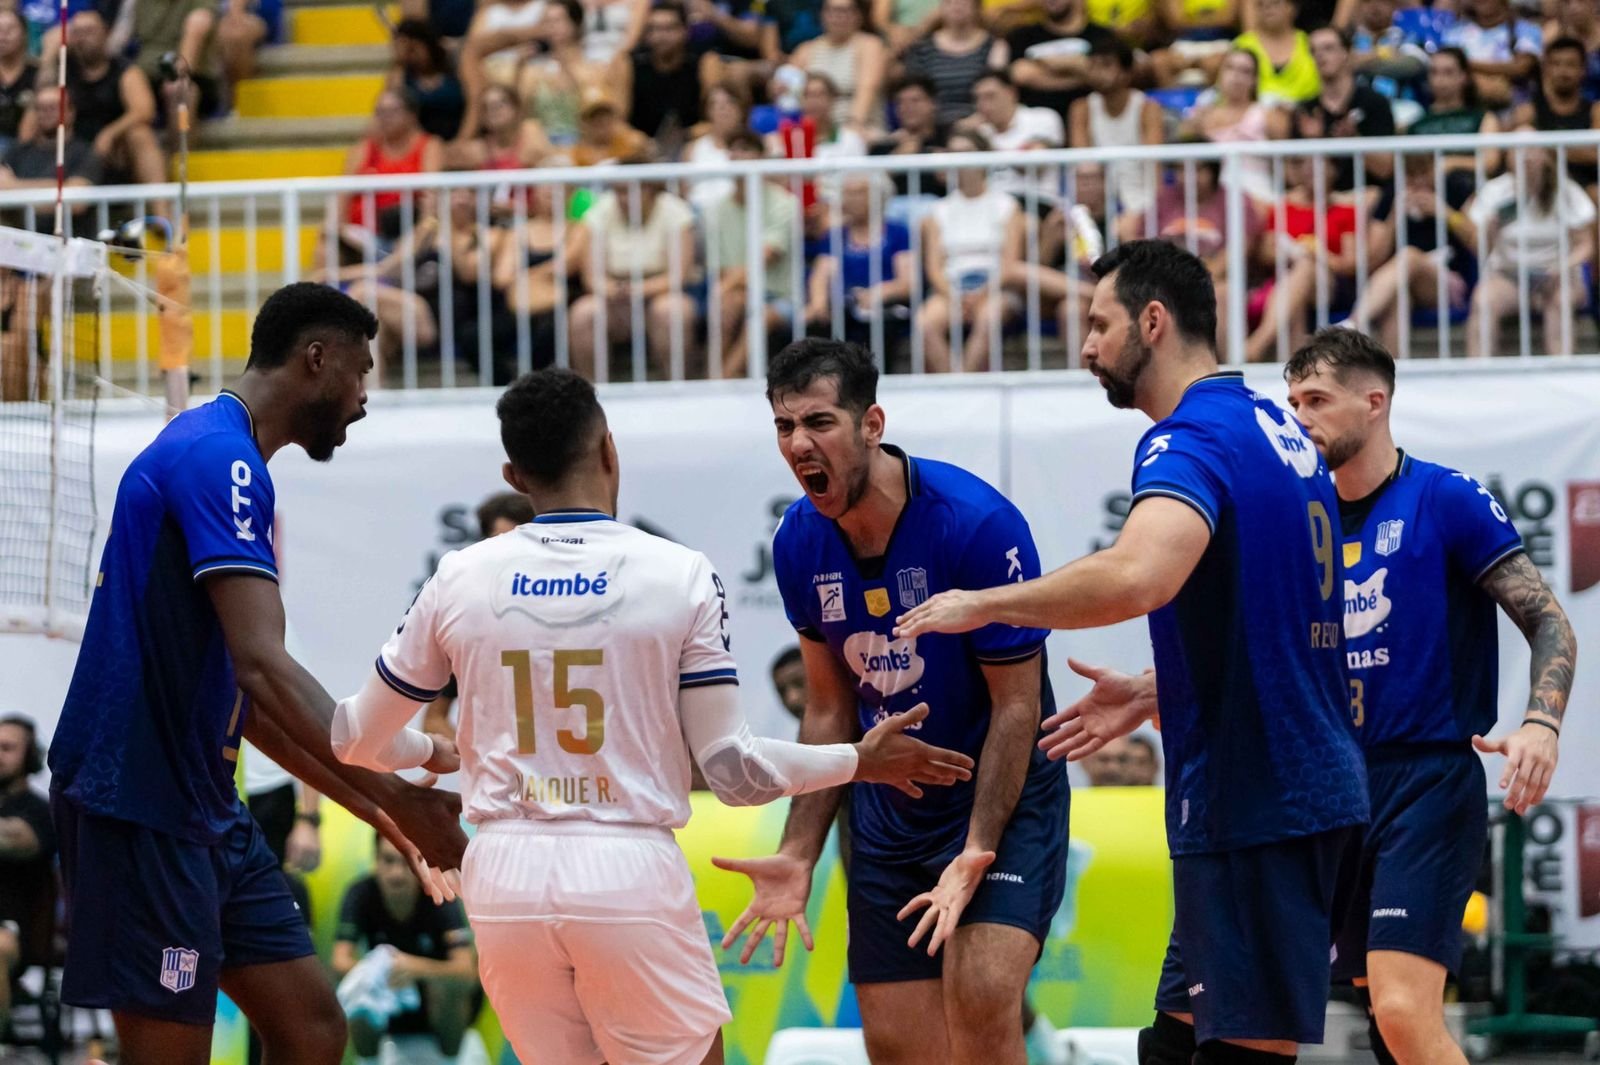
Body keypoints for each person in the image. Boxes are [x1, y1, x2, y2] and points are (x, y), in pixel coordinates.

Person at [329, 366, 973, 1065]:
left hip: (504, 870)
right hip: (623, 863)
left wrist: (427, 753)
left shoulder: (460, 574)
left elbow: (356, 737)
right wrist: (858, 758)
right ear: (609, 449)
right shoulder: (677, 572)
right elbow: (734, 770)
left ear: (515, 475)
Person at [895, 239, 1369, 1065]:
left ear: (1153, 321)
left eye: (1098, 324)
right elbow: (1276, 614)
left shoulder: (1191, 438)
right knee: (1172, 1044)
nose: (1085, 347)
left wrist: (983, 602)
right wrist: (1159, 688)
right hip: (1283, 782)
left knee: (1240, 1054)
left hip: (1261, 797)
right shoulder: (1274, 424)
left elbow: (1139, 574)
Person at [46, 283, 466, 1065]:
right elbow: (265, 667)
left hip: (205, 800)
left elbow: (253, 698)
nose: (364, 399)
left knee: (312, 1029)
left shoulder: (229, 459)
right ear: (316, 359)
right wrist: (392, 771)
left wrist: (391, 807)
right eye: (361, 371)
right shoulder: (220, 459)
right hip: (141, 805)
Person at [720, 338, 1070, 1064]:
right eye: (784, 426)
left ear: (871, 423)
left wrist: (978, 847)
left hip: (998, 803)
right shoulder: (797, 542)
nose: (798, 443)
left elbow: (1016, 705)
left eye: (819, 421)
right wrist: (796, 851)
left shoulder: (975, 522)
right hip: (887, 818)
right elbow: (827, 709)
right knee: (899, 1047)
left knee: (980, 998)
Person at [1286, 329, 1575, 1065]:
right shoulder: (1297, 519)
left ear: (1375, 401)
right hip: (1331, 788)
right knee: (1376, 1015)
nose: (1300, 417)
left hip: (1424, 781)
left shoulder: (1442, 497)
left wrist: (1541, 720)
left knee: (1404, 1009)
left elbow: (1548, 619)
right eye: (1291, 402)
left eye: (1316, 399)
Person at [332, 836, 479, 1065]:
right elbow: (339, 961)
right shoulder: (360, 893)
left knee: (451, 987)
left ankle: (452, 1057)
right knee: (357, 989)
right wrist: (380, 970)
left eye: (405, 863)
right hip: (385, 1005)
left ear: (419, 865)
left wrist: (414, 968)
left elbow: (467, 972)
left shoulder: (439, 894)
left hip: (439, 1023)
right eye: (388, 861)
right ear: (376, 861)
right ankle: (368, 1059)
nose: (397, 873)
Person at [567, 158, 702, 379]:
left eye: (630, 191)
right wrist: (615, 290)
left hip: (663, 292)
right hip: (614, 295)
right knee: (584, 313)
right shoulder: (599, 211)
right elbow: (591, 276)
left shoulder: (675, 210)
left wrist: (638, 290)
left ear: (649, 189)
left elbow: (680, 275)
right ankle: (591, 391)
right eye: (618, 191)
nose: (623, 198)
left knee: (670, 311)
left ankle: (677, 386)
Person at [1465, 137, 1597, 358]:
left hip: (1557, 275)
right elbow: (1479, 250)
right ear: (1508, 158)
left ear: (1546, 156)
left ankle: (1563, 378)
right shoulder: (1494, 191)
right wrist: (1491, 229)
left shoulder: (1565, 190)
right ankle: (1478, 381)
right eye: (1518, 150)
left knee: (1561, 302)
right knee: (1483, 300)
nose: (1525, 156)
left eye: (1532, 149)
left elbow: (1586, 245)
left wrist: (1563, 266)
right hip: (1508, 275)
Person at [421, 492, 538, 740]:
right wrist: (479, 757)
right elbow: (434, 718)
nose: (510, 554)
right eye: (499, 543)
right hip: (501, 775)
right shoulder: (472, 622)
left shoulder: (574, 612)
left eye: (521, 543)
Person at [917, 129, 1026, 373]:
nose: (959, 160)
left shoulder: (1007, 206)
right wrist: (956, 296)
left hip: (997, 285)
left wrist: (981, 294)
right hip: (951, 287)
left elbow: (1010, 264)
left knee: (988, 320)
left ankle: (966, 388)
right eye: (953, 153)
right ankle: (954, 390)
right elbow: (934, 268)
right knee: (924, 323)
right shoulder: (938, 210)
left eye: (965, 152)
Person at [710, 128, 802, 377]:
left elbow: (766, 257)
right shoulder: (716, 210)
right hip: (740, 289)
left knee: (757, 316)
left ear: (761, 157)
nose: (738, 155)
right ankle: (720, 378)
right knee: (726, 304)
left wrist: (726, 286)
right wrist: (728, 288)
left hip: (782, 295)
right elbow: (719, 267)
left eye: (746, 149)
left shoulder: (785, 203)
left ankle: (720, 380)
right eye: (734, 149)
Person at [62, 9, 165, 187]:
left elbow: (144, 111)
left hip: (117, 152)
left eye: (89, 31)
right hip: (73, 149)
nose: (83, 38)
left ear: (106, 33)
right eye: (77, 32)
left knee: (140, 135)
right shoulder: (63, 72)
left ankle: (163, 212)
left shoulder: (125, 71)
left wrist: (109, 133)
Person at [0, 714, 54, 1043]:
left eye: (7, 748)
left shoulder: (39, 810)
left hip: (13, 932)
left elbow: (19, 841)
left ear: (30, 757)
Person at [1068, 37, 1163, 218]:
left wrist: (1153, 211)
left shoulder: (1147, 108)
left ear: (1126, 72)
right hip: (1097, 200)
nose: (1097, 72)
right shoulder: (1081, 108)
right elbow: (1083, 166)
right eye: (1093, 66)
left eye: (1106, 65)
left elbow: (1153, 167)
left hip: (1140, 197)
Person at [1293, 26, 1394, 191]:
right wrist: (1313, 141)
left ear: (1346, 53)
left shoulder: (1374, 102)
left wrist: (1353, 141)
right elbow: (1294, 178)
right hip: (1322, 203)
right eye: (1314, 51)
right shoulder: (1306, 110)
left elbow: (1386, 170)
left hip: (1367, 199)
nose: (1320, 55)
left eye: (1328, 48)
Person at [1510, 37, 1600, 198]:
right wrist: (1575, 151)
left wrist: (1546, 147)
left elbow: (1596, 155)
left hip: (1587, 187)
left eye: (1570, 65)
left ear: (1583, 69)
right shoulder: (1527, 112)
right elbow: (1514, 155)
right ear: (1545, 69)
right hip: (1539, 188)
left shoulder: (1596, 111)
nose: (1563, 71)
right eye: (1556, 64)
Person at [902, 0, 1007, 128]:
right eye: (950, 1)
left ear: (976, 6)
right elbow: (914, 95)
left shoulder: (994, 46)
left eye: (964, 1)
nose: (957, 5)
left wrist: (970, 124)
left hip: (981, 126)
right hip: (931, 129)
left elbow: (995, 94)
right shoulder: (922, 49)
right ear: (941, 7)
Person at [1004, 0, 1117, 118]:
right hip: (1037, 123)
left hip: (1093, 118)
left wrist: (1048, 63)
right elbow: (1021, 74)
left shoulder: (1101, 36)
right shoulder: (1021, 36)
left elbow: (1108, 76)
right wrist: (1080, 69)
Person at [616, 0, 704, 146]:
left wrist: (683, 136)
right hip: (641, 146)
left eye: (669, 29)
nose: (660, 36)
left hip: (692, 143)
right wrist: (640, 141)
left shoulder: (703, 63)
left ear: (685, 30)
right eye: (654, 29)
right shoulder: (630, 65)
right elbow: (618, 122)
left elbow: (713, 122)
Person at [791, 0, 886, 130]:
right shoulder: (804, 51)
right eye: (832, 11)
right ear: (822, 15)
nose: (838, 17)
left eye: (845, 11)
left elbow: (867, 91)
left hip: (861, 128)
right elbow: (789, 96)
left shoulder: (870, 45)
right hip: (813, 130)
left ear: (858, 15)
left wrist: (853, 128)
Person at [386, 19, 467, 142]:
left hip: (458, 139)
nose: (411, 55)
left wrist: (462, 140)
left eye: (413, 49)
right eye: (406, 51)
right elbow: (393, 104)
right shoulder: (403, 75)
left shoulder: (455, 66)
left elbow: (474, 103)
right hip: (419, 144)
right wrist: (400, 62)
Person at [1232, 0, 1319, 107]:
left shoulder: (1310, 43)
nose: (1267, 8)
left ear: (1292, 8)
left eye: (1275, 3)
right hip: (1253, 114)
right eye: (1260, 5)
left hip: (1307, 111)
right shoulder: (1242, 45)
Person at [0, 10, 37, 153]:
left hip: (23, 148)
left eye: (9, 30)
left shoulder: (36, 74)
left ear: (24, 34)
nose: (3, 36)